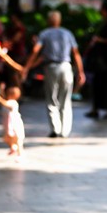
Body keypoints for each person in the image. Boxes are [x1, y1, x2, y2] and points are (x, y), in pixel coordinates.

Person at [22, 10, 85, 138]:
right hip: (66, 66)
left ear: (49, 21)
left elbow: (35, 50)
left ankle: (55, 129)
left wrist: (26, 67)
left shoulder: (45, 34)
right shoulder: (67, 33)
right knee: (65, 99)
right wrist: (80, 71)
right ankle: (64, 131)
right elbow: (76, 53)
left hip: (51, 67)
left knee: (51, 99)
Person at [0, 86, 25, 160]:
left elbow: (4, 103)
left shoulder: (13, 103)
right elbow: (4, 98)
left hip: (15, 125)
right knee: (6, 138)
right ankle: (13, 147)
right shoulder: (8, 100)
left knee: (18, 140)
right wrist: (1, 90)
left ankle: (20, 154)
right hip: (8, 125)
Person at [0, 12, 27, 95]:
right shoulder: (12, 28)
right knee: (12, 75)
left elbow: (15, 39)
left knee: (14, 75)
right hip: (12, 53)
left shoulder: (20, 28)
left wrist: (6, 45)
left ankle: (19, 94)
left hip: (18, 54)